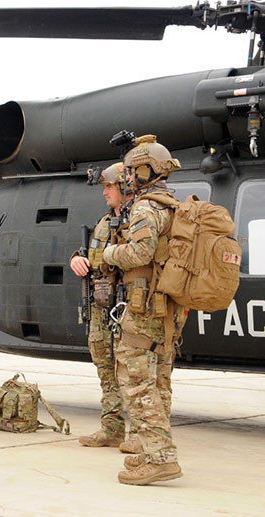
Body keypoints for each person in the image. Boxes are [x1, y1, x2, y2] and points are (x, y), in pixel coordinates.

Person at [100, 134, 187, 486]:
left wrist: (107, 255)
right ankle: (152, 450)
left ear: (145, 171)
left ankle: (161, 456)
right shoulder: (171, 205)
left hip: (145, 306)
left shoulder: (145, 208)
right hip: (166, 307)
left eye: (133, 171)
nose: (127, 178)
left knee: (135, 379)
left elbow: (139, 254)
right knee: (157, 378)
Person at [69, 162, 139, 454]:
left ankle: (139, 433)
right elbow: (91, 253)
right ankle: (112, 429)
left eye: (108, 187)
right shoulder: (104, 221)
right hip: (101, 306)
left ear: (124, 187)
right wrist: (77, 259)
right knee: (105, 368)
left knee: (133, 371)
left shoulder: (138, 219)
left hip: (128, 307)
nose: (104, 193)